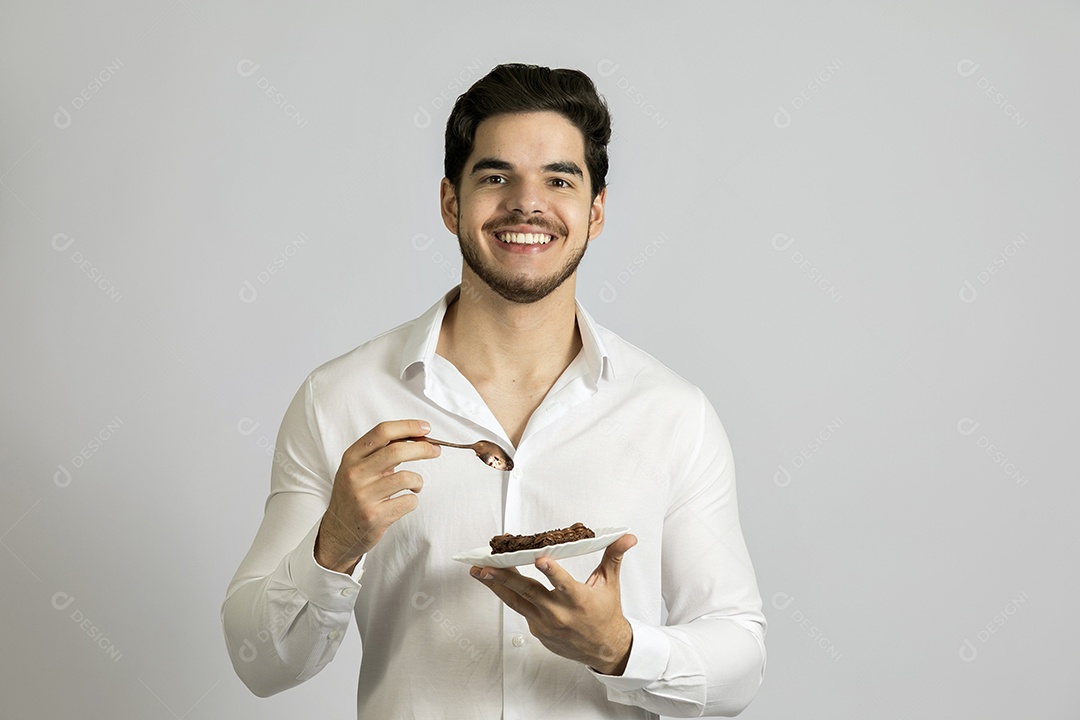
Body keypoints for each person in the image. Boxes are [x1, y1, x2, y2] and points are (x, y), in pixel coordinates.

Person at [222, 62, 766, 719]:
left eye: (558, 179)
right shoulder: (341, 399)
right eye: (496, 176)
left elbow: (740, 661)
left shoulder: (674, 416)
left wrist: (620, 648)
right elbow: (260, 663)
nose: (526, 203)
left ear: (594, 213)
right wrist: (331, 548)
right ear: (452, 202)